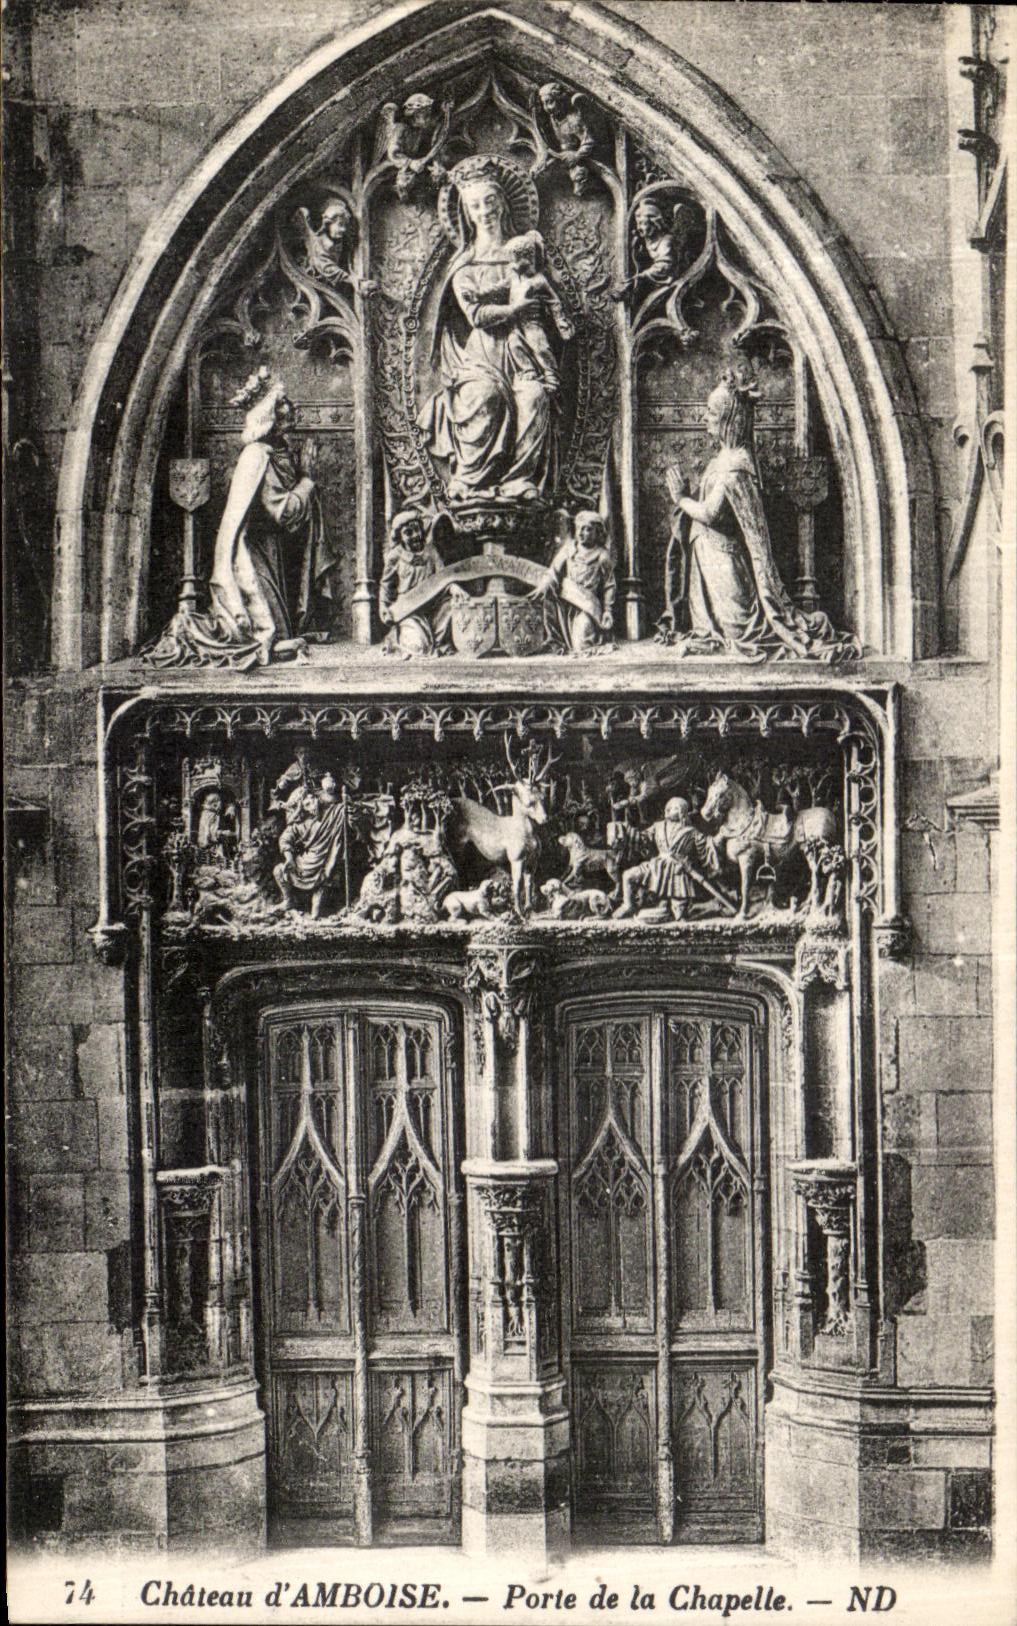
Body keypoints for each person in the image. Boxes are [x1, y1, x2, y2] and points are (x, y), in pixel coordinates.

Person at [661, 370, 860, 662]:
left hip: (724, 564)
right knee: (719, 631)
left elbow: (711, 514)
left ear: (729, 418)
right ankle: (707, 636)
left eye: (711, 412)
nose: (705, 417)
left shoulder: (735, 465)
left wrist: (680, 498)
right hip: (708, 558)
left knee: (743, 632)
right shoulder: (723, 459)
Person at [419, 159, 567, 502]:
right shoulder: (465, 266)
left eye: (489, 201)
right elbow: (475, 314)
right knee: (486, 397)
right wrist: (515, 308)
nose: (484, 210)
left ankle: (519, 482)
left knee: (534, 397)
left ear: (502, 203)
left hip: (523, 352)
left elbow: (549, 300)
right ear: (466, 213)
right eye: (475, 205)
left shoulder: (528, 255)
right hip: (481, 355)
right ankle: (471, 481)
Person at [207, 378, 339, 665]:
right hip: (255, 556)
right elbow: (285, 511)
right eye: (282, 406)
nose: (291, 410)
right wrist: (307, 480)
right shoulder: (257, 456)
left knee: (283, 626)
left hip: (272, 551)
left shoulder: (277, 454)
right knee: (269, 630)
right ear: (269, 417)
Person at [613, 796, 722, 921]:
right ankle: (628, 905)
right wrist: (626, 830)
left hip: (678, 872)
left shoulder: (691, 832)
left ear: (683, 812)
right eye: (668, 807)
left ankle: (709, 907)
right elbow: (642, 839)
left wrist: (720, 837)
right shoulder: (658, 826)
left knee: (681, 916)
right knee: (628, 875)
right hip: (657, 866)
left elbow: (707, 846)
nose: (670, 809)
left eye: (675, 807)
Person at [378, 509, 462, 655]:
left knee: (452, 604)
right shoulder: (395, 556)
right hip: (410, 609)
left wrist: (453, 587)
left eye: (417, 530)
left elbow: (443, 576)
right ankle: (400, 640)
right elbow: (386, 585)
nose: (415, 536)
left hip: (432, 606)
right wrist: (383, 606)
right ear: (400, 537)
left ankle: (440, 643)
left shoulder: (431, 551)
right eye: (408, 533)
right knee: (419, 647)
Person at [503, 232, 574, 392]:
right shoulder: (513, 279)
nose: (510, 265)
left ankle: (551, 376)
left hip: (532, 323)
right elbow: (498, 288)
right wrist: (478, 295)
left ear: (525, 259)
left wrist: (561, 321)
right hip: (515, 324)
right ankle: (528, 369)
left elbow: (554, 302)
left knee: (540, 346)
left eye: (513, 260)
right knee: (514, 344)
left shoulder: (539, 280)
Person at [273, 771, 349, 918]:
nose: (311, 806)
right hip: (303, 864)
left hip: (323, 865)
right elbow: (285, 839)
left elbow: (344, 809)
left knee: (316, 911)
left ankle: (315, 913)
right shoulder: (300, 825)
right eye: (306, 805)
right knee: (279, 870)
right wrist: (289, 859)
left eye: (312, 801)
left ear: (316, 798)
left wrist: (346, 804)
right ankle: (289, 901)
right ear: (302, 808)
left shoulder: (332, 814)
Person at [539, 510, 616, 652]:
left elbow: (609, 585)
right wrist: (545, 583)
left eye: (587, 529)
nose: (581, 533)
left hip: (587, 606)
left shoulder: (602, 556)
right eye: (579, 528)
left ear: (597, 533)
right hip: (565, 603)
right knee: (546, 604)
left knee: (581, 644)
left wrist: (608, 611)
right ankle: (555, 643)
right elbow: (553, 570)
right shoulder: (569, 549)